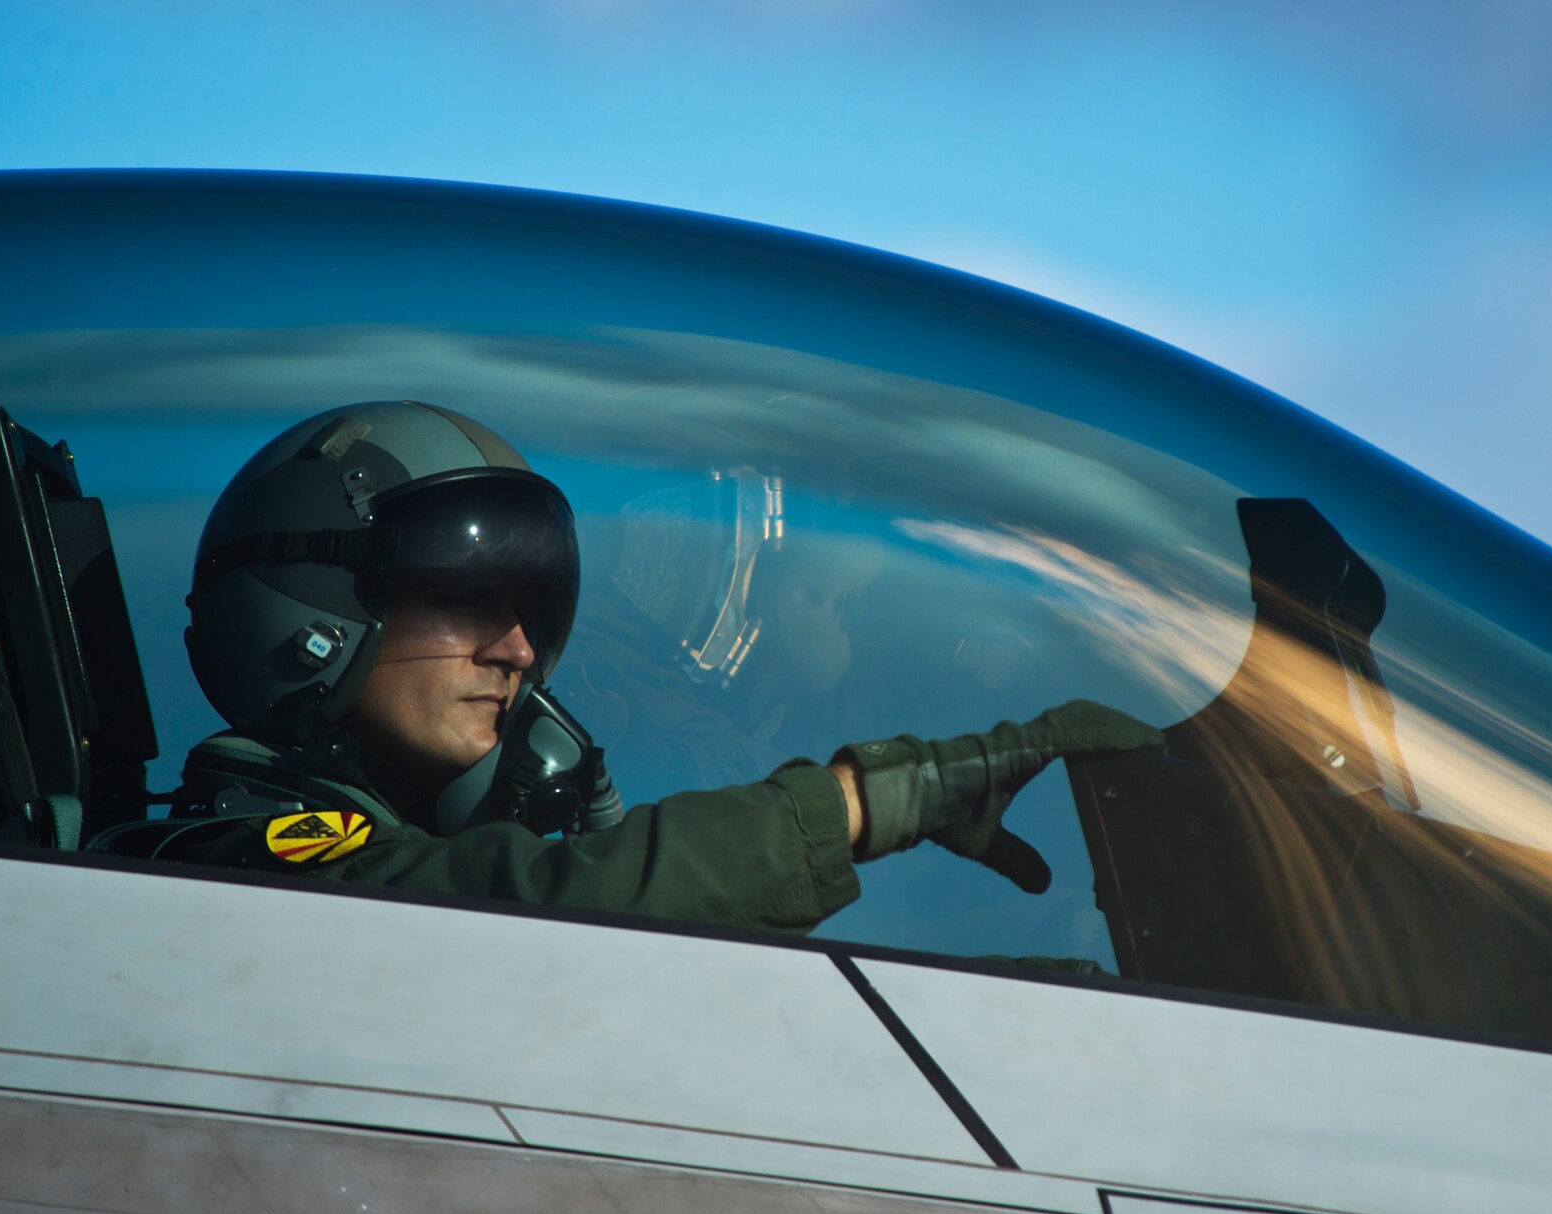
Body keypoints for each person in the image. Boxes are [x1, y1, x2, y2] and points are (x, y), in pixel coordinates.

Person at [114, 401, 1160, 935]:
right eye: (464, 598)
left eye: (531, 611)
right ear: (314, 612)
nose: (517, 647)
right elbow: (525, 898)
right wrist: (871, 800)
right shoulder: (232, 870)